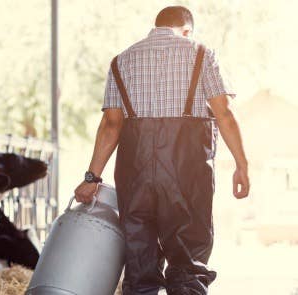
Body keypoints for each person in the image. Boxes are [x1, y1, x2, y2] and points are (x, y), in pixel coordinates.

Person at [73, 6, 250, 295]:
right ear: (187, 30)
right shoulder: (203, 55)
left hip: (135, 174)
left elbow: (111, 125)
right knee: (188, 261)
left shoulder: (122, 61)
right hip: (187, 174)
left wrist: (92, 178)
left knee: (139, 261)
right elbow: (225, 114)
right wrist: (242, 165)